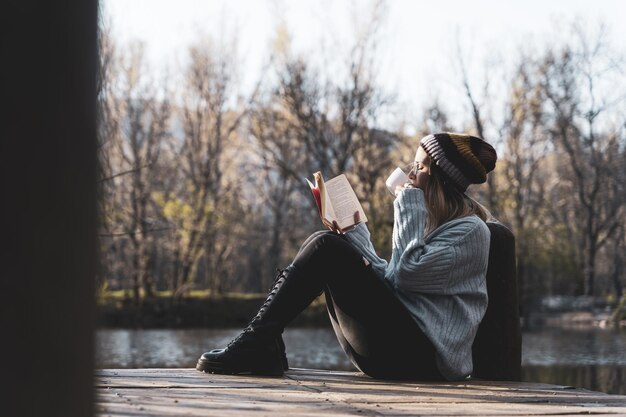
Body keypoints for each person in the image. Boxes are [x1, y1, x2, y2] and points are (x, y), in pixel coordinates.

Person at [196, 132, 497, 381]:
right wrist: (356, 236)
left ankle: (258, 342)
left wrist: (407, 203)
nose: (410, 174)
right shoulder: (434, 226)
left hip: (427, 362)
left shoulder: (471, 231)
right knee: (326, 242)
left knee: (326, 247)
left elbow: (406, 274)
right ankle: (263, 341)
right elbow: (396, 280)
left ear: (438, 177)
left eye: (418, 167)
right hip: (402, 354)